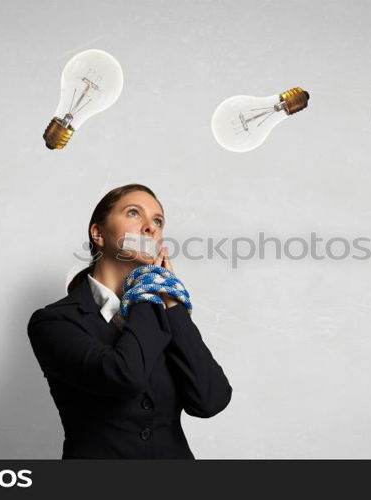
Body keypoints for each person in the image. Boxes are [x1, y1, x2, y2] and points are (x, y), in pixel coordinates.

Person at [27, 183, 232, 459]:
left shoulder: (163, 314)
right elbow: (124, 376)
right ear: (98, 233)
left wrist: (171, 301)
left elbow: (211, 400)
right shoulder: (53, 321)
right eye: (134, 213)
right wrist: (147, 289)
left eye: (158, 221)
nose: (150, 228)